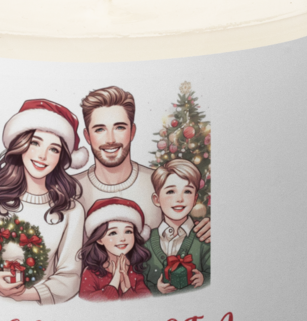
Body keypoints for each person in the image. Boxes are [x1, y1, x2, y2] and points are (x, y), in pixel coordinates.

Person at [75, 86, 210, 248]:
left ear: (132, 131)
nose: (110, 139)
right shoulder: (69, 189)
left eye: (119, 127)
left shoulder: (162, 183)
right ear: (87, 136)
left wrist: (206, 229)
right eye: (99, 129)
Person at [0, 99, 88, 305]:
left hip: (41, 314)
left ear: (61, 157)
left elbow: (70, 278)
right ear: (21, 144)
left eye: (54, 149)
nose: (42, 156)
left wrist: (23, 295)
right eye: (35, 143)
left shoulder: (71, 211)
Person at [144, 159, 210, 295]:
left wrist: (204, 279)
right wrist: (157, 289)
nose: (180, 199)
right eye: (170, 191)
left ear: (195, 198)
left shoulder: (204, 237)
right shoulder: (147, 243)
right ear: (157, 199)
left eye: (187, 191)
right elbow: (140, 283)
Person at [77, 198, 153, 301]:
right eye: (113, 233)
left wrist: (127, 290)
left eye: (128, 231)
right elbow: (89, 305)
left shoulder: (134, 270)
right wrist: (115, 281)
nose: (122, 238)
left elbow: (147, 304)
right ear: (99, 239)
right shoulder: (91, 272)